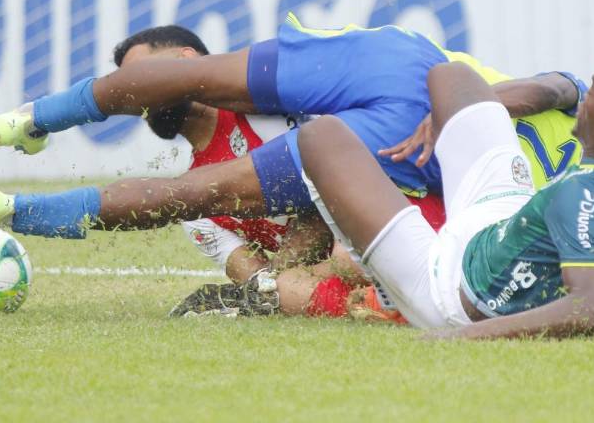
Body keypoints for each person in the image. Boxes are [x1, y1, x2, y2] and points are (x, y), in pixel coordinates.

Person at [0, 18, 582, 255]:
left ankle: (34, 123)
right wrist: (463, 106)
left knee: (200, 192)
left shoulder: (568, 212)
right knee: (194, 197)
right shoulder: (588, 192)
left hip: (426, 129)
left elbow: (562, 84)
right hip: (407, 76)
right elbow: (561, 83)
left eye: (145, 78)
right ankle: (33, 125)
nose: (138, 99)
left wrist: (464, 110)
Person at [298, 56, 594, 338]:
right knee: (451, 77)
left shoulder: (579, 195)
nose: (582, 101)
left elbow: (588, 307)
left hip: (448, 290)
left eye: (593, 92)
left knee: (320, 136)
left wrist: (459, 336)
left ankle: (378, 277)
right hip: (499, 219)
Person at [108, 24, 444, 319]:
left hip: (380, 221)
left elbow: (328, 186)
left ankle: (381, 300)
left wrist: (285, 275)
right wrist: (273, 285)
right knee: (284, 291)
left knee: (343, 258)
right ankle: (378, 305)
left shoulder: (265, 110)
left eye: (142, 76)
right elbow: (258, 282)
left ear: (186, 60)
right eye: (126, 86)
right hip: (327, 271)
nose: (136, 93)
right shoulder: (194, 208)